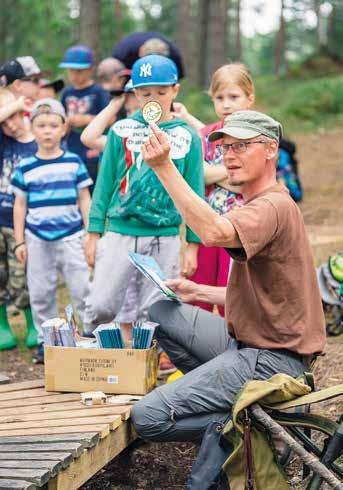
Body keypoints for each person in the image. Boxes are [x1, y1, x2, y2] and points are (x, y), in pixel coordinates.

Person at [130, 111, 326, 483]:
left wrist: (164, 167)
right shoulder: (255, 204)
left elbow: (214, 233)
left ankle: (248, 424)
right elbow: (271, 292)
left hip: (273, 362)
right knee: (164, 313)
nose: (229, 155)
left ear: (271, 149)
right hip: (245, 343)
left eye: (241, 146)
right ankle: (236, 406)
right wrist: (199, 291)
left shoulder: (272, 206)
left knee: (147, 418)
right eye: (225, 147)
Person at [82, 55, 204, 344]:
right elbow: (104, 184)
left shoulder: (187, 136)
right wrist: (94, 232)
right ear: (135, 93)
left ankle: (143, 367)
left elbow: (195, 192)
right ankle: (93, 351)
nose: (154, 99)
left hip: (165, 236)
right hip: (120, 232)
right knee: (101, 305)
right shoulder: (121, 130)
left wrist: (193, 245)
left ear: (175, 90)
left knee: (155, 312)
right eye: (145, 92)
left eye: (161, 92)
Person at [11, 98, 92, 363]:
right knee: (41, 291)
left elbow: (84, 199)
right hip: (37, 238)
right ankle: (48, 342)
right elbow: (20, 205)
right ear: (32, 128)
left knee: (81, 288)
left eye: (53, 125)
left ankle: (89, 335)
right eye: (41, 125)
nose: (47, 131)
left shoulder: (73, 162)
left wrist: (90, 232)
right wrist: (20, 241)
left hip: (71, 235)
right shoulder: (25, 167)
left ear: (63, 129)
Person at [176, 63, 254, 316]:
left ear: (249, 98)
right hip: (206, 224)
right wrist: (231, 172)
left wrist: (215, 174)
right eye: (219, 98)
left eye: (234, 97)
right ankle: (192, 344)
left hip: (240, 227)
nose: (226, 104)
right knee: (199, 285)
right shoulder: (207, 135)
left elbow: (248, 180)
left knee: (230, 287)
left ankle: (232, 342)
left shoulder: (256, 135)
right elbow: (198, 174)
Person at [0, 89, 38, 350]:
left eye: (14, 117)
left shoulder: (38, 142)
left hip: (22, 222)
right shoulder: (2, 142)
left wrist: (18, 106)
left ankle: (32, 323)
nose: (10, 125)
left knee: (22, 275)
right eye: (4, 121)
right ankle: (3, 327)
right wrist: (13, 104)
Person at [59, 45, 109, 191]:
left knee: (93, 185)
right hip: (72, 147)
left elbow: (110, 118)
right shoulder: (67, 93)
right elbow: (62, 117)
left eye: (79, 71)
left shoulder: (98, 91)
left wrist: (87, 119)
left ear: (91, 69)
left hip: (93, 151)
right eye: (71, 71)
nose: (75, 75)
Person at [112, 32, 185, 79]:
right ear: (140, 53)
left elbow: (177, 79)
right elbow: (113, 77)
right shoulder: (123, 51)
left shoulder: (174, 56)